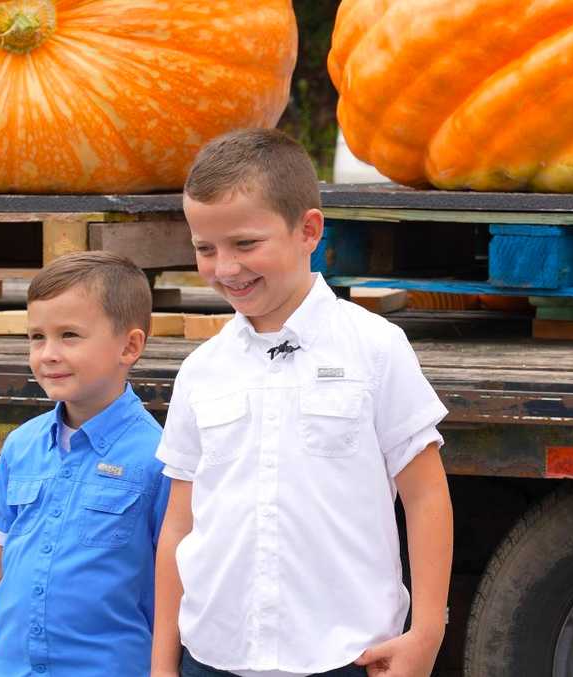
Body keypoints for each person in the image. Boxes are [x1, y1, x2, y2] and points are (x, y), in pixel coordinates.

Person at [151, 128, 454, 677]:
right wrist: (161, 663)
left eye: (245, 244)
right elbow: (179, 525)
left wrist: (426, 634)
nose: (225, 268)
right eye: (205, 248)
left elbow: (426, 497)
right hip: (213, 657)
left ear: (307, 230)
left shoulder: (376, 348)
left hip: (344, 656)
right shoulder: (202, 369)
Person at [0, 251, 170, 676]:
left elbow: (173, 585)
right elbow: (0, 561)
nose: (48, 354)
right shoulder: (20, 445)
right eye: (36, 337)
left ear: (130, 346)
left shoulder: (159, 458)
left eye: (69, 335)